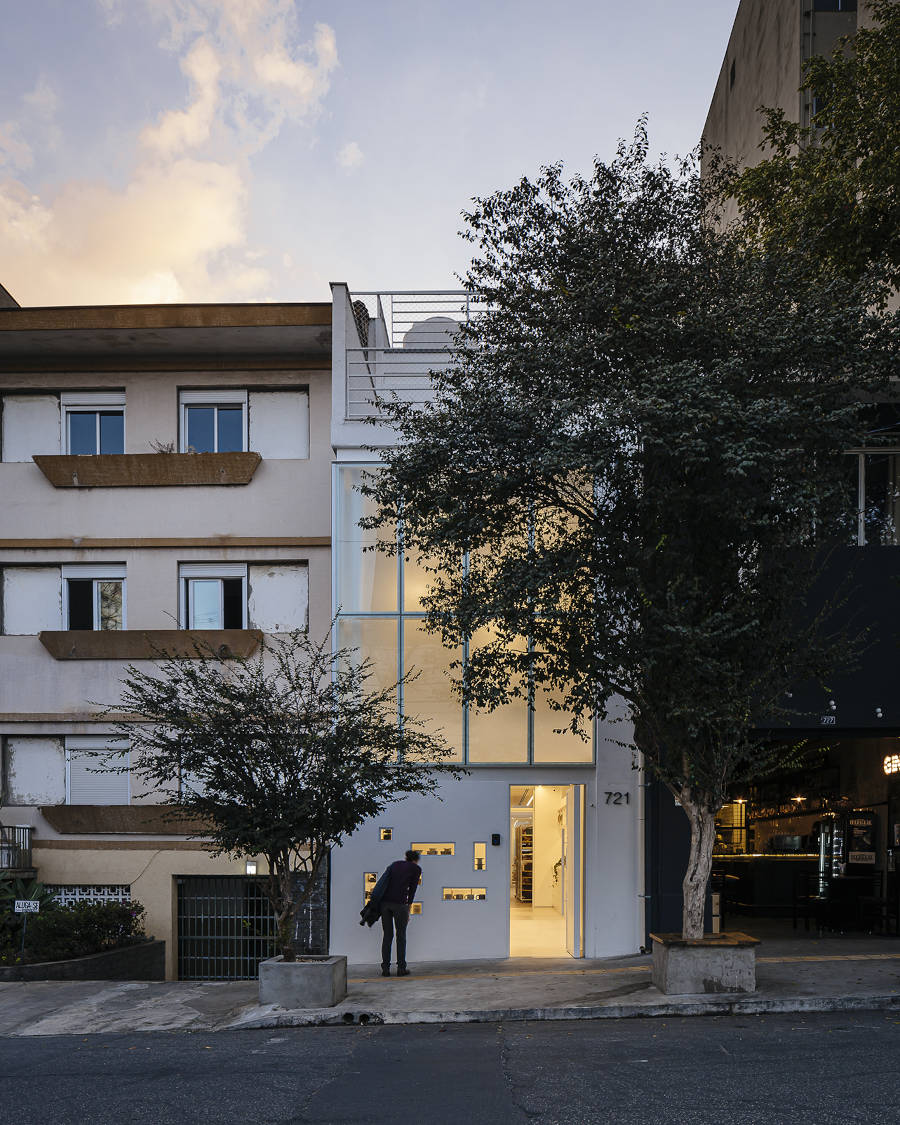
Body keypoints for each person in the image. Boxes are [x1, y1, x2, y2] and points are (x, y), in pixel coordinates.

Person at [379, 849, 422, 977]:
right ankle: (401, 968)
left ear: (406, 857)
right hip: (400, 904)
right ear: (416, 860)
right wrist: (408, 909)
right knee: (401, 935)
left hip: (385, 904)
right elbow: (412, 890)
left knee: (387, 936)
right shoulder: (416, 869)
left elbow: (384, 881)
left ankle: (385, 969)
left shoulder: (395, 864)